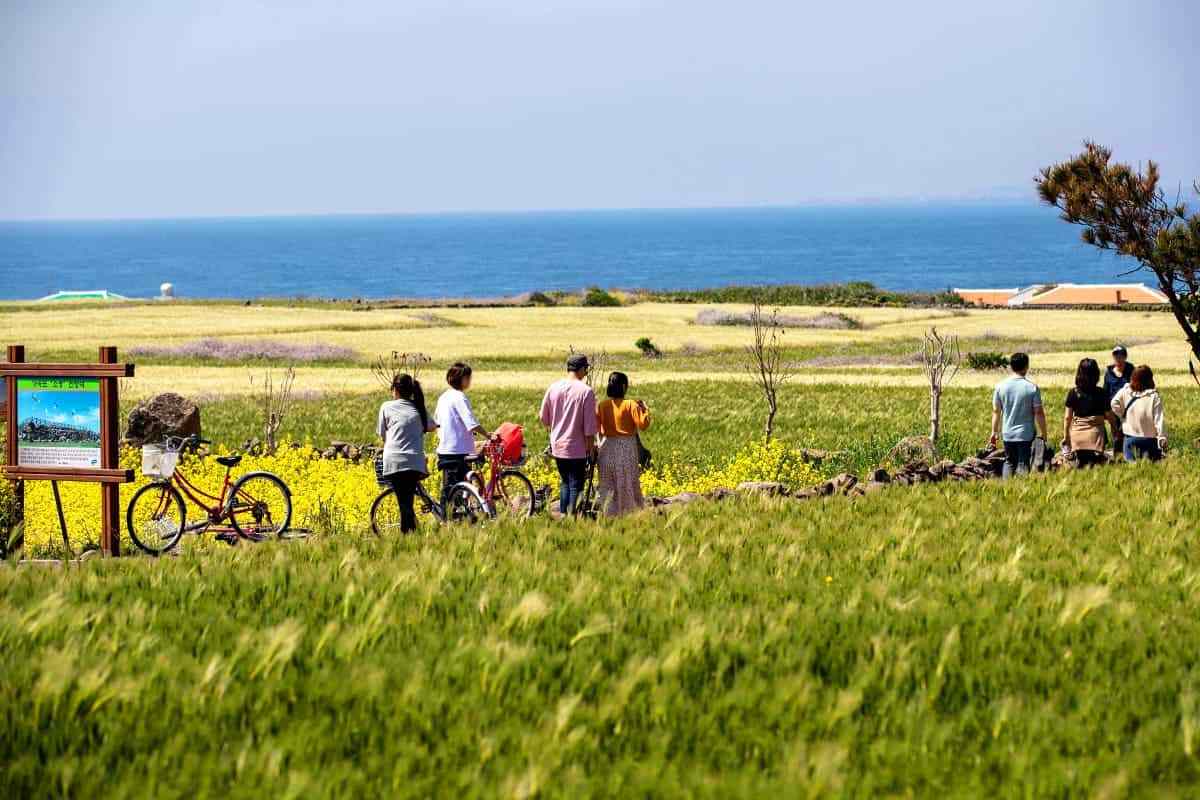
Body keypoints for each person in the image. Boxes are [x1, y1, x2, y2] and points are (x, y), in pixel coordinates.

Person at [539, 354, 598, 515]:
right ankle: (572, 519)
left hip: (558, 446)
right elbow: (590, 427)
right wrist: (591, 449)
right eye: (586, 369)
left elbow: (543, 418)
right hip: (577, 447)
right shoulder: (586, 392)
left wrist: (556, 428)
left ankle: (563, 516)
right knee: (576, 485)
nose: (586, 372)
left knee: (565, 482)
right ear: (581, 369)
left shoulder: (554, 387)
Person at [377, 374, 436, 533]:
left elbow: (382, 434)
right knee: (406, 502)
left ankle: (408, 538)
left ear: (394, 390)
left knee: (404, 503)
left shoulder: (386, 407)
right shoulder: (418, 407)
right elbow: (432, 426)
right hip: (414, 462)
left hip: (394, 461)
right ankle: (411, 536)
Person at [434, 362, 489, 508]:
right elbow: (471, 423)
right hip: (458, 451)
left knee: (450, 490)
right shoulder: (459, 397)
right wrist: (488, 435)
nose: (470, 380)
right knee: (459, 489)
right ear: (463, 379)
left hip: (445, 450)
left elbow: (438, 423)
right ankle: (453, 520)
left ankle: (448, 520)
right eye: (469, 377)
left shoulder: (443, 397)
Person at [596, 372, 651, 516]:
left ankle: (609, 515)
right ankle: (628, 515)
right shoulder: (630, 404)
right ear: (624, 386)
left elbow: (598, 429)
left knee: (608, 485)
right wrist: (645, 409)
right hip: (625, 448)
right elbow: (643, 425)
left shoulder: (602, 405)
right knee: (626, 483)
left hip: (606, 447)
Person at [989, 352, 1048, 478]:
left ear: (1011, 366)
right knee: (1023, 463)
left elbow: (996, 411)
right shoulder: (1032, 388)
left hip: (1007, 433)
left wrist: (994, 432)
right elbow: (1039, 412)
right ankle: (1020, 490)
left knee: (1009, 462)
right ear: (1026, 366)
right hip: (1025, 434)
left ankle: (1007, 489)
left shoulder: (1000, 387)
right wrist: (1043, 433)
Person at [1062, 358, 1119, 468]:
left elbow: (1067, 418)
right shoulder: (1101, 393)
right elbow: (1109, 416)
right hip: (1096, 437)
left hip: (1077, 437)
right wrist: (1115, 430)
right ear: (1096, 373)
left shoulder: (1073, 392)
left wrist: (1066, 437)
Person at [1111, 364, 1166, 461]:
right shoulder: (1154, 396)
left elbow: (1113, 404)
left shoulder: (1126, 391)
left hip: (1130, 439)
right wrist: (1162, 437)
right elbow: (1159, 420)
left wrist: (1123, 416)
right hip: (1150, 441)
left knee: (1132, 471)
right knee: (1151, 473)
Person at [1104, 344, 1134, 455]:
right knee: (1116, 433)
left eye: (1121, 355)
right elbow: (1105, 391)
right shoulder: (1109, 373)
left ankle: (1127, 452)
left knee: (1127, 432)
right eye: (1116, 355)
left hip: (1128, 408)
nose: (1118, 358)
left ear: (1125, 357)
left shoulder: (1132, 370)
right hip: (1113, 408)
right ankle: (1117, 453)